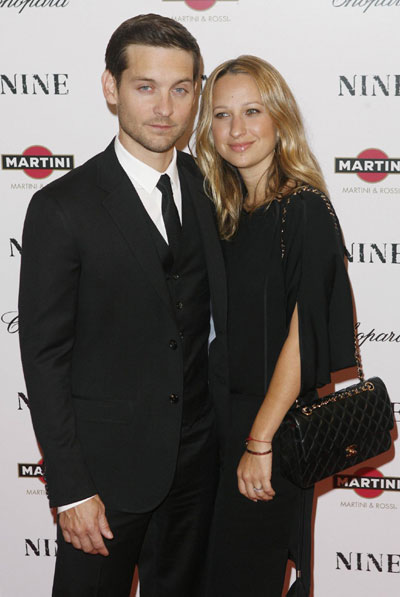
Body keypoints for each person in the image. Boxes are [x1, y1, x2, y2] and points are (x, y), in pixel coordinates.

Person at [18, 14, 227, 597]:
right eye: (145, 86)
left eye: (181, 89)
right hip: (103, 479)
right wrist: (71, 488)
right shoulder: (63, 207)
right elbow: (44, 356)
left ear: (196, 94)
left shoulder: (211, 189)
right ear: (111, 89)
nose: (165, 107)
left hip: (196, 467)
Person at [195, 55, 356, 596]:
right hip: (214, 428)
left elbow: (301, 338)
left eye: (252, 111)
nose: (236, 129)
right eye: (221, 115)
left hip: (270, 432)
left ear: (279, 118)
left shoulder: (303, 209)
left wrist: (260, 441)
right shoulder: (226, 212)